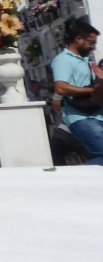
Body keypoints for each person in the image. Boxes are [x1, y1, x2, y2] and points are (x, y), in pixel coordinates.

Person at [51, 18, 103, 166]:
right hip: (79, 117)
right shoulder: (64, 60)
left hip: (96, 114)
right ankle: (73, 179)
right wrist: (91, 90)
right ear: (78, 39)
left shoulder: (86, 61)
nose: (93, 47)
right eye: (91, 42)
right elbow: (61, 88)